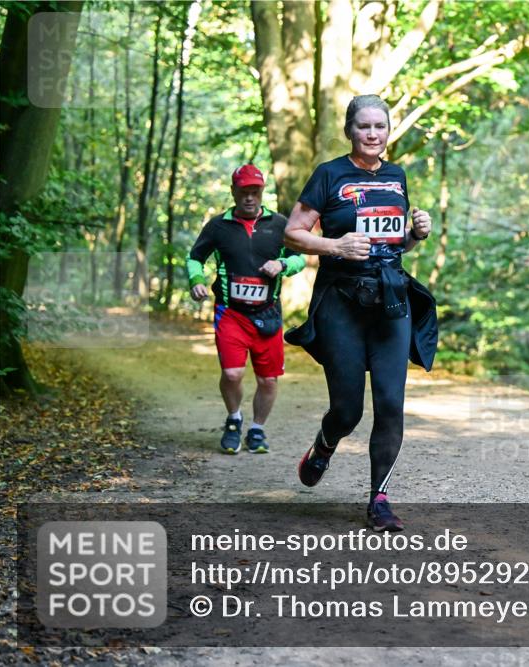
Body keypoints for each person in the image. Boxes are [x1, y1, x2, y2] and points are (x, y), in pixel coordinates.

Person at [284, 94, 436, 532]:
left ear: (389, 131)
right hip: (341, 303)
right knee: (347, 409)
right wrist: (335, 246)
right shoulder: (328, 175)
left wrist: (415, 234)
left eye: (380, 127)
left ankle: (379, 499)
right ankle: (325, 444)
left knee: (390, 404)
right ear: (349, 130)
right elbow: (294, 233)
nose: (372, 134)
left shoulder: (396, 175)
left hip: (391, 300)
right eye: (364, 127)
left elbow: (395, 244)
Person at [186, 164, 305, 454]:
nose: (249, 197)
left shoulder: (279, 225)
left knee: (268, 379)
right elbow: (194, 258)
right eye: (244, 192)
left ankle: (257, 429)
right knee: (232, 374)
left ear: (262, 191)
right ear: (233, 192)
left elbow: (299, 258)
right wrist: (197, 280)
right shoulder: (218, 226)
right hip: (231, 313)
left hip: (267, 315)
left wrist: (282, 264)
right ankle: (234, 419)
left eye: (255, 191)